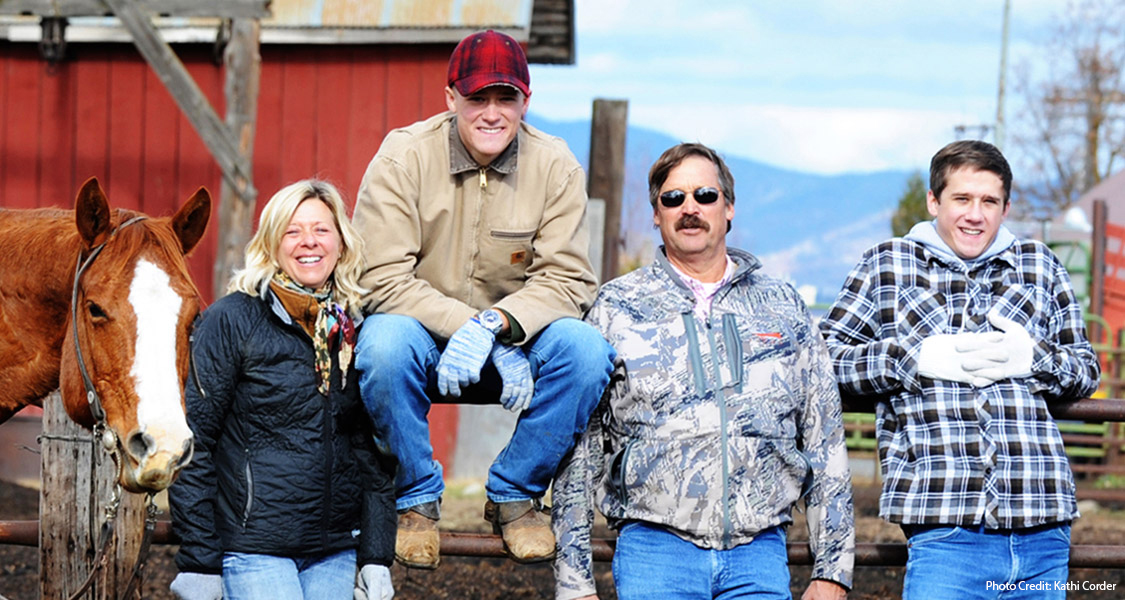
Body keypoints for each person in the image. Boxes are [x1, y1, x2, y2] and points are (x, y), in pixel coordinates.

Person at [351, 29, 615, 569]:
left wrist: (496, 326)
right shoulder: (403, 158)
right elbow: (379, 277)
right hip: (421, 341)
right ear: (451, 98)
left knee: (587, 352)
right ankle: (416, 500)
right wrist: (470, 327)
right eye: (477, 98)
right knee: (381, 346)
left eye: (506, 97)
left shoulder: (556, 166)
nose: (491, 112)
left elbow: (569, 280)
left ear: (526, 100)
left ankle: (515, 495)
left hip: (520, 345)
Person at [552, 143, 855, 600]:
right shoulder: (616, 307)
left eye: (705, 195)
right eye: (673, 198)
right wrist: (574, 582)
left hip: (759, 553)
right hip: (654, 549)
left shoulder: (782, 305)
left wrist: (832, 569)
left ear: (728, 208)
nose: (689, 208)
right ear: (656, 213)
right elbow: (582, 448)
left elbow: (824, 437)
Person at [818, 140, 1101, 600]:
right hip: (945, 523)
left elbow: (1085, 368)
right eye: (962, 199)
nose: (976, 214)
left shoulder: (1040, 266)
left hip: (1043, 521)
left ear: (1006, 207)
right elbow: (824, 358)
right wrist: (911, 359)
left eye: (989, 201)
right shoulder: (886, 264)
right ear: (935, 201)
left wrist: (1033, 358)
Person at [168, 180, 396, 600]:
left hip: (336, 549)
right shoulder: (233, 320)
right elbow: (194, 441)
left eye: (321, 230)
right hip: (254, 546)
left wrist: (377, 555)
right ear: (272, 245)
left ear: (342, 243)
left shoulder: (355, 328)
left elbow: (373, 451)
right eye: (293, 231)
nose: (308, 242)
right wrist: (199, 560)